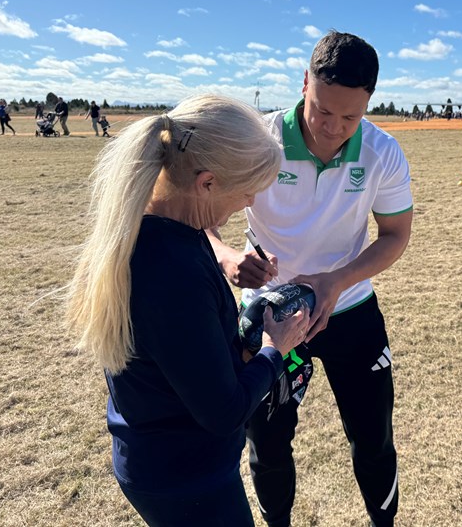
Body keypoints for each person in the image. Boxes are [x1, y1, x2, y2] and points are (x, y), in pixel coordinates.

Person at [64, 95, 310, 526]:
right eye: (248, 189)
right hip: (186, 479)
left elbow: (186, 357)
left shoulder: (168, 229)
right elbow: (224, 412)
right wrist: (274, 348)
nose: (250, 201)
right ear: (207, 182)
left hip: (165, 460)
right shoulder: (171, 273)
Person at [207, 31, 413, 527]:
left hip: (350, 312)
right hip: (270, 315)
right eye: (322, 110)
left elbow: (394, 235)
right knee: (268, 443)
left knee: (374, 438)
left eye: (350, 117)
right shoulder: (260, 139)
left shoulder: (382, 152)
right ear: (304, 83)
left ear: (369, 104)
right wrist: (228, 256)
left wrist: (337, 279)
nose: (333, 127)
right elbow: (201, 214)